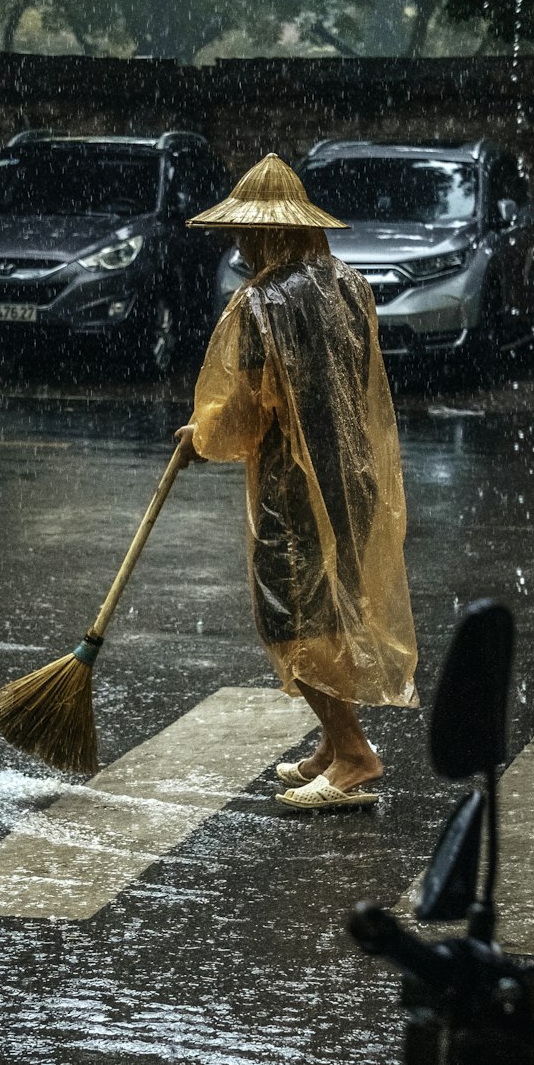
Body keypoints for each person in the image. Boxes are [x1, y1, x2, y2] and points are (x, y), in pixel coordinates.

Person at [174, 153, 418, 811]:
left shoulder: (261, 304)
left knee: (294, 625)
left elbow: (252, 409)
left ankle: (354, 754)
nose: (239, 246)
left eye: (246, 235)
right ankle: (335, 747)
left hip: (294, 488)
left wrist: (202, 438)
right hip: (354, 480)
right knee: (330, 609)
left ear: (267, 233)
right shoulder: (348, 284)